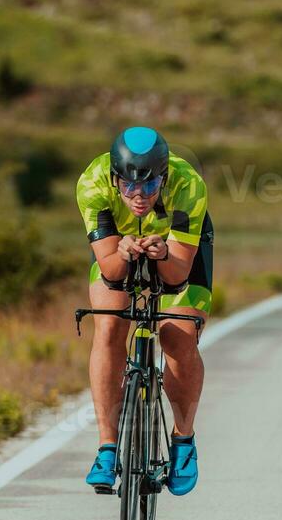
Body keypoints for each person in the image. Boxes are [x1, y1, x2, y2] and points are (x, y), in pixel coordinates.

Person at [75, 126, 214, 496]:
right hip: (117, 250)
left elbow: (178, 274)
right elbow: (110, 271)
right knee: (108, 329)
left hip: (177, 255)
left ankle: (183, 441)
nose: (140, 197)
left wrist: (165, 253)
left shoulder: (188, 185)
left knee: (177, 336)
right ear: (114, 179)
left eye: (151, 187)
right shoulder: (92, 183)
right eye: (130, 187)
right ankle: (107, 448)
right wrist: (121, 251)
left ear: (164, 178)